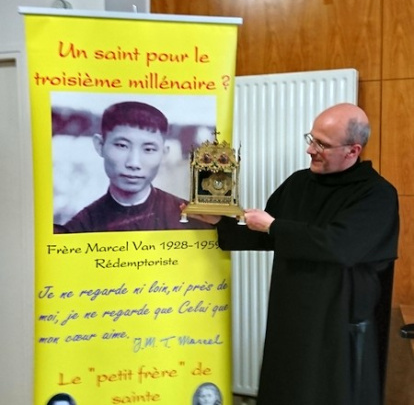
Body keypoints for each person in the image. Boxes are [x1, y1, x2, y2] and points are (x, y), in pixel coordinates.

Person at [190, 103, 400, 405]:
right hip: (291, 310)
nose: (310, 150)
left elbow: (339, 246)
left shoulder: (377, 194)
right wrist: (219, 221)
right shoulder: (299, 183)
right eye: (311, 139)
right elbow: (266, 235)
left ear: (353, 151)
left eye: (322, 145)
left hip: (338, 319)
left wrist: (274, 226)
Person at [61, 101, 211, 233]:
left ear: (163, 154)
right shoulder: (79, 228)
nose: (133, 163)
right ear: (100, 145)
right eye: (122, 146)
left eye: (148, 149)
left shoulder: (192, 218)